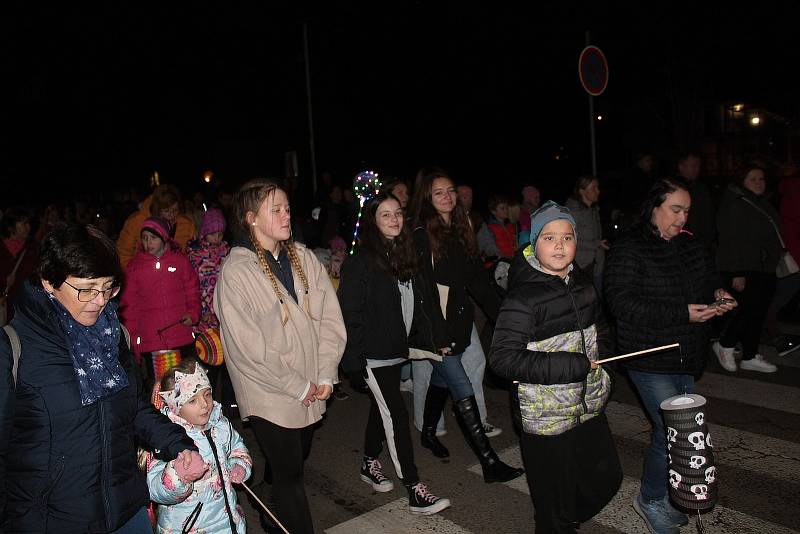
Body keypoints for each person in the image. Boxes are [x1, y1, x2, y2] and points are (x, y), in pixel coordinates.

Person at [0, 223, 202, 532]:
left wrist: (178, 444)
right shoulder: (15, 348)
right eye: (87, 289)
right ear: (48, 282)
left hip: (125, 511)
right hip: (51, 522)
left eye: (108, 288)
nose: (100, 301)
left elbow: (133, 409)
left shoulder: (113, 335)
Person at [604, 177, 736, 534]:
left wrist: (719, 294)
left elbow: (707, 278)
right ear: (653, 208)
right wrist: (682, 312)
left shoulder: (690, 245)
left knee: (681, 432)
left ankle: (667, 497)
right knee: (672, 433)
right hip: (648, 356)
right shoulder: (629, 247)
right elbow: (620, 302)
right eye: (675, 210)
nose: (682, 219)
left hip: (687, 353)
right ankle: (650, 500)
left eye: (687, 211)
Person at [214, 178, 346, 534]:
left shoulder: (302, 257)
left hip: (309, 383)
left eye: (288, 207)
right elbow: (247, 349)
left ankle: (270, 504)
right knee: (291, 477)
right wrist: (296, 384)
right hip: (269, 389)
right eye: (277, 209)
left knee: (293, 460)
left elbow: (330, 320)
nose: (287, 215)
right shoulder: (236, 273)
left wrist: (323, 373)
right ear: (251, 218)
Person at [490, 201, 622, 533]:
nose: (559, 245)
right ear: (534, 244)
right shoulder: (522, 298)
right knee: (553, 507)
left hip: (586, 405)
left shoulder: (583, 284)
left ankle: (566, 518)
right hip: (545, 416)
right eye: (549, 237)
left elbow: (601, 327)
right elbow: (502, 359)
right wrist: (569, 366)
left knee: (606, 477)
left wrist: (604, 368)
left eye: (567, 237)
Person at [407, 167, 523, 483]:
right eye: (439, 192)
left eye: (450, 191)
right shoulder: (421, 234)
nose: (447, 197)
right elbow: (424, 289)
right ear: (427, 199)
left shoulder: (461, 228)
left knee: (442, 382)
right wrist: (438, 335)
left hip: (458, 320)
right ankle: (489, 462)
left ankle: (428, 432)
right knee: (461, 385)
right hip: (434, 325)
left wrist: (506, 316)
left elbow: (478, 282)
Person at [338, 192, 451, 515]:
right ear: (373, 221)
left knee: (382, 409)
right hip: (371, 355)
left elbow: (419, 304)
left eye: (398, 213)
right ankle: (415, 489)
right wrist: (353, 362)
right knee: (396, 415)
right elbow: (350, 314)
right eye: (385, 214)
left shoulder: (402, 254)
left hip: (394, 351)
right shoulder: (361, 261)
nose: (394, 219)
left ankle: (369, 462)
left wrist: (434, 337)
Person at [147, 359, 252, 533]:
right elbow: (154, 488)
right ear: (175, 407)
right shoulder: (167, 438)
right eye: (192, 400)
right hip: (187, 527)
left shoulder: (220, 424)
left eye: (207, 394)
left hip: (226, 520)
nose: (205, 404)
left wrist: (239, 464)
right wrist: (178, 476)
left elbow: (237, 447)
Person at [713, 163, 782, 373]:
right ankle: (725, 344)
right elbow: (730, 239)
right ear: (741, 180)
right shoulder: (736, 202)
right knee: (746, 311)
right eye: (752, 179)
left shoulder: (758, 201)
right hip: (746, 267)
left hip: (763, 266)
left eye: (761, 179)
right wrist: (737, 273)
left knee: (758, 313)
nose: (758, 183)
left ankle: (750, 355)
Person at [119, 216, 201, 384]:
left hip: (181, 335)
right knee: (162, 385)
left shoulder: (180, 262)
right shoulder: (135, 268)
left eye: (153, 238)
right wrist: (133, 340)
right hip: (152, 340)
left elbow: (192, 291)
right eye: (144, 238)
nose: (148, 243)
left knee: (186, 383)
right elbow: (130, 306)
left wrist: (193, 313)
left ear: (164, 237)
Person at [187, 207, 237, 416]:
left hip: (225, 318)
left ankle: (229, 405)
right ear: (204, 232)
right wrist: (201, 309)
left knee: (228, 363)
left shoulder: (227, 253)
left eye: (220, 233)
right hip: (205, 321)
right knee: (208, 363)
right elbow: (193, 286)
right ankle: (207, 403)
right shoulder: (195, 256)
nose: (217, 238)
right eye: (212, 233)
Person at [117, 184, 197, 267]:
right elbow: (124, 254)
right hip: (143, 274)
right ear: (157, 208)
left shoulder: (186, 224)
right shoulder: (136, 222)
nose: (171, 215)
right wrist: (134, 275)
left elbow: (193, 253)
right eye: (167, 210)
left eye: (175, 210)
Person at [565, 175, 608, 285]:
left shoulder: (593, 210)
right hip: (581, 267)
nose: (598, 191)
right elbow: (568, 239)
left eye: (598, 187)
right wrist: (595, 244)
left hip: (597, 265)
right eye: (593, 188)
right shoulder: (573, 212)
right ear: (582, 191)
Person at [1, 207, 39, 325]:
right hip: (4, 307)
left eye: (28, 223)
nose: (28, 227)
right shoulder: (1, 248)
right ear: (10, 227)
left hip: (24, 309)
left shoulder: (32, 248)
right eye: (23, 223)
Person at [676, 151, 716, 254]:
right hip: (685, 245)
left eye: (698, 165)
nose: (696, 169)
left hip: (703, 244)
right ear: (681, 167)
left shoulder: (702, 188)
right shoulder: (675, 189)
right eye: (692, 165)